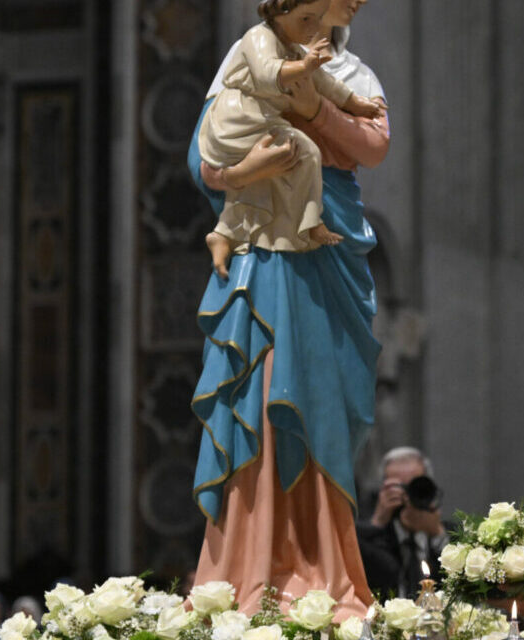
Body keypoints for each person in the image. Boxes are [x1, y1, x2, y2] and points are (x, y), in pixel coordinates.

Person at [188, 0, 387, 619]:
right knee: (261, 391)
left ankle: (320, 568)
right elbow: (203, 161)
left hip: (326, 249)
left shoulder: (354, 72)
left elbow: (373, 146)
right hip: (262, 247)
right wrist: (245, 166)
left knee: (322, 396)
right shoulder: (247, 57)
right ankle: (244, 573)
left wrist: (313, 108)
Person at [198, 0, 384, 277]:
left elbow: (375, 148)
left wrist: (318, 111)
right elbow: (203, 155)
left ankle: (310, 224)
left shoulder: (360, 75)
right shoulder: (254, 46)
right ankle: (227, 234)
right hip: (266, 233)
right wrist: (240, 173)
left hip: (337, 217)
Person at [355, 447, 449, 598]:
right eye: (399, 487)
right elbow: (356, 566)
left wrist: (437, 533)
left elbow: (464, 577)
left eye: (416, 485)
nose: (408, 495)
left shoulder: (448, 533)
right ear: (383, 489)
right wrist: (378, 522)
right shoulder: (368, 537)